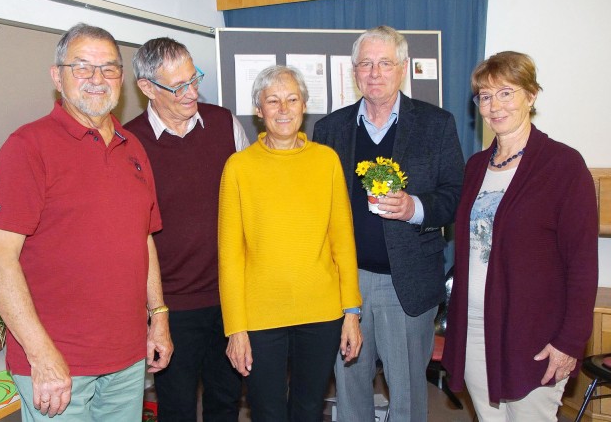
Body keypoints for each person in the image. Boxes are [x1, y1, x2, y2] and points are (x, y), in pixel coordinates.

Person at [0, 23, 173, 421]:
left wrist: (160, 317)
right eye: (82, 67)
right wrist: (42, 354)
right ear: (57, 76)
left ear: (123, 78)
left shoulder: (132, 147)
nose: (97, 80)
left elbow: (144, 240)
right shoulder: (28, 147)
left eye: (109, 69)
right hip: (57, 365)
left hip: (127, 359)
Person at [313, 25, 465, 421]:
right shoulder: (328, 130)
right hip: (346, 284)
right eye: (365, 64)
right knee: (349, 386)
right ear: (354, 71)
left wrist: (415, 206)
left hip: (409, 284)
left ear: (403, 68)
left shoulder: (436, 124)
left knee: (408, 395)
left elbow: (455, 194)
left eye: (384, 63)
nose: (374, 73)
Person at [442, 51, 598, 421]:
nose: (494, 105)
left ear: (531, 95)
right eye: (485, 96)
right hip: (476, 328)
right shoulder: (476, 166)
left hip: (534, 333)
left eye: (506, 93)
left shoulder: (563, 165)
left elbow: (582, 264)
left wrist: (570, 341)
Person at [219, 65, 362, 422]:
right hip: (261, 315)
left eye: (292, 99)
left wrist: (351, 312)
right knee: (266, 411)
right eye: (273, 100)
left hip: (322, 312)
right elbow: (230, 257)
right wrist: (235, 328)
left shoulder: (326, 161)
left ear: (304, 105)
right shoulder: (238, 167)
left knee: (309, 409)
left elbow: (343, 241)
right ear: (258, 110)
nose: (283, 109)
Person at [125, 37, 247, 422]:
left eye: (194, 79)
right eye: (178, 86)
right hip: (169, 306)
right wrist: (154, 312)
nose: (192, 92)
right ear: (146, 88)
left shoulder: (225, 124)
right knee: (176, 408)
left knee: (226, 403)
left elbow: (251, 203)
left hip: (229, 298)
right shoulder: (128, 142)